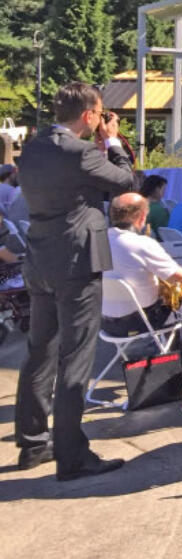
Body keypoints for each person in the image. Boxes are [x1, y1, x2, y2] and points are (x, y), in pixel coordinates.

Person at [14, 82, 136, 479]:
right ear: (88, 115)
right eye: (100, 113)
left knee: (39, 351)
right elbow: (124, 183)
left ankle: (33, 444)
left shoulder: (31, 147)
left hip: (39, 256)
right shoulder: (80, 151)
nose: (102, 120)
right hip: (77, 260)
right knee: (76, 357)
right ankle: (72, 456)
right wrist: (113, 142)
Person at [101, 193, 182, 337]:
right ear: (142, 217)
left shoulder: (98, 241)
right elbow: (180, 278)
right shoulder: (143, 244)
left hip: (106, 323)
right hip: (141, 322)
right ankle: (178, 356)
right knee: (181, 304)